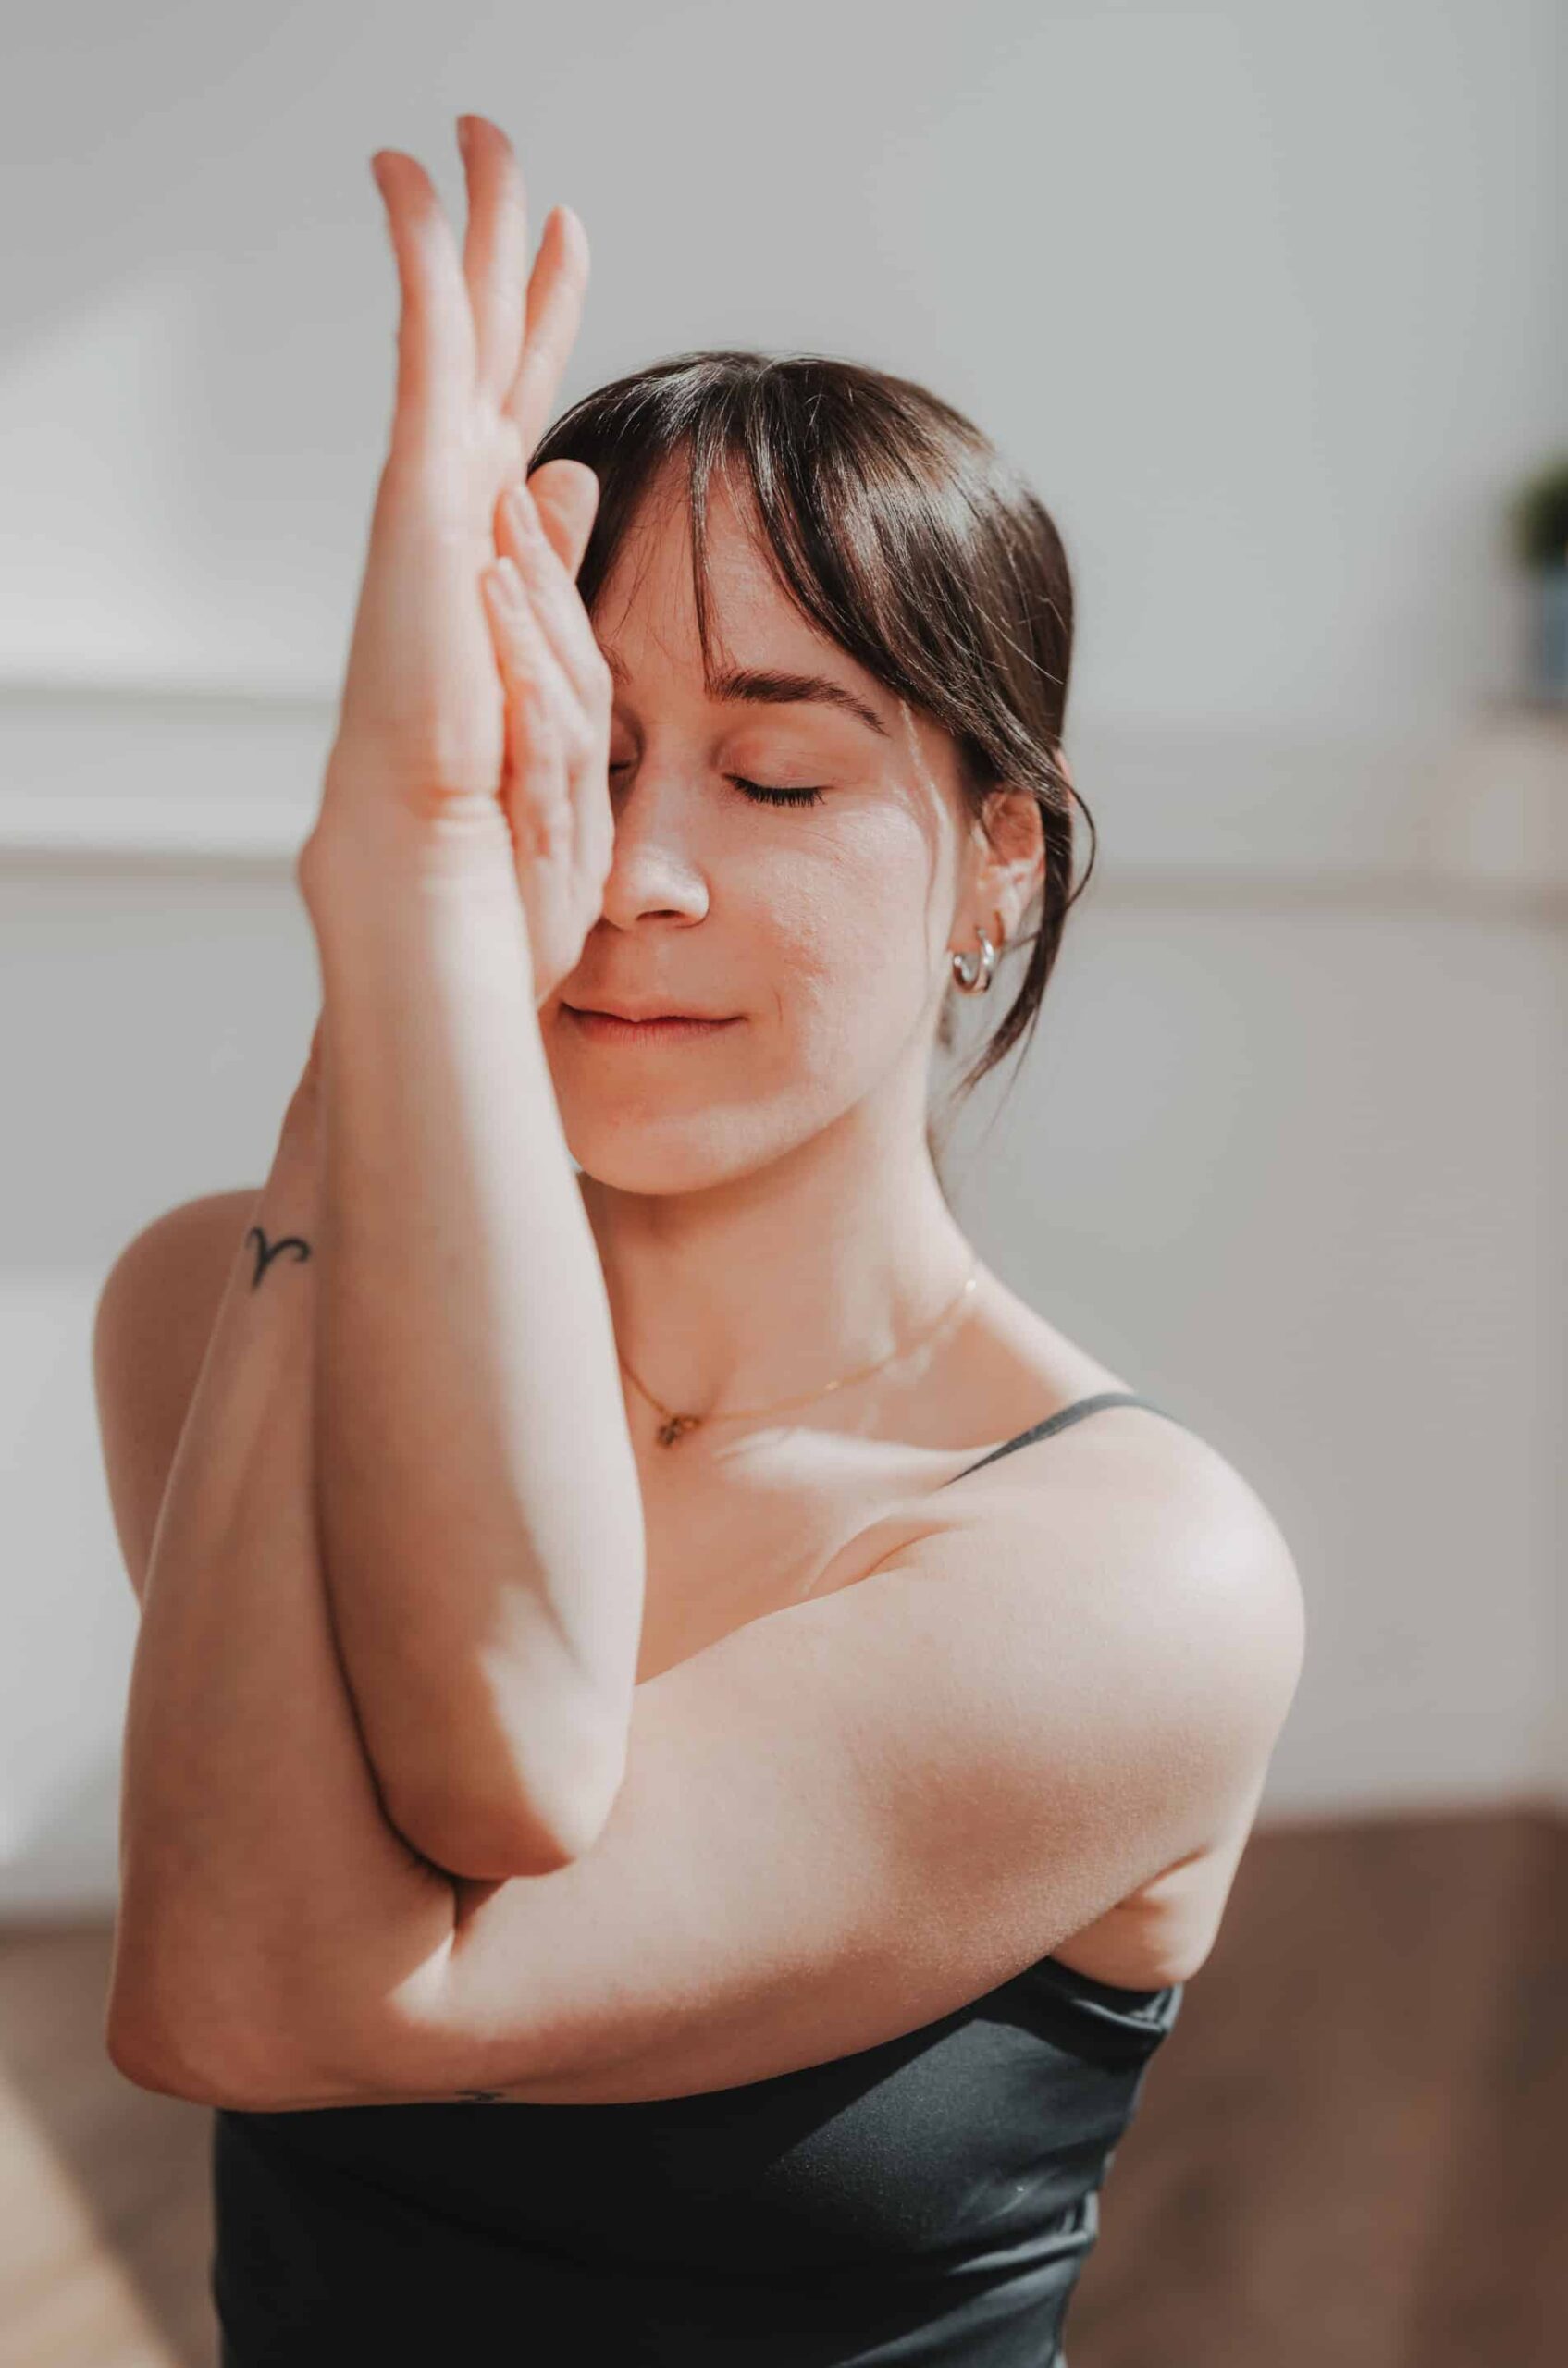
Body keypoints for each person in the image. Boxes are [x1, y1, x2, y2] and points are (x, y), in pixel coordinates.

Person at [93, 113, 1305, 2365]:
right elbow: (431, 1795)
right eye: (568, 757)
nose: (629, 874)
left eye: (775, 778)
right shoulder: (214, 1292)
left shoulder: (1137, 1572)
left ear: (1001, 858)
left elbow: (268, 1988)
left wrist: (409, 908)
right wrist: (401, 942)